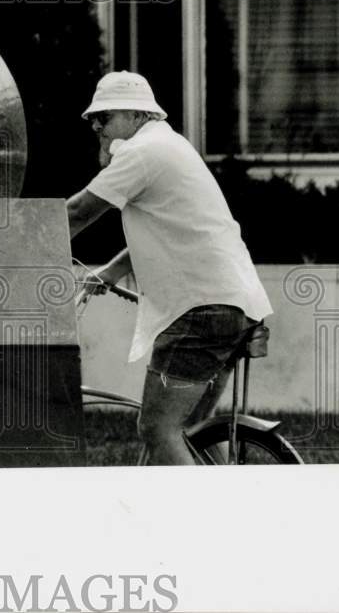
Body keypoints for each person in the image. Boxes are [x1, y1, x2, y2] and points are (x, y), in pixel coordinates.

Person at [66, 71, 272, 465]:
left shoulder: (142, 152)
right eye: (93, 119)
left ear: (136, 115)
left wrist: (23, 243)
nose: (95, 125)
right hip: (234, 304)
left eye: (103, 117)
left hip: (201, 310)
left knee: (157, 430)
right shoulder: (170, 146)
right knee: (191, 430)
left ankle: (206, 521)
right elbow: (171, 230)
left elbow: (79, 212)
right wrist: (109, 271)